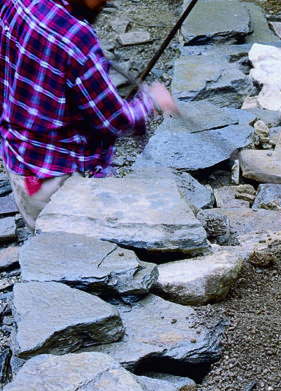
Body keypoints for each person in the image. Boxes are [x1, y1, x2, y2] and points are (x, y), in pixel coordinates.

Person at [0, 0, 178, 231]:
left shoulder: (17, 3)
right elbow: (114, 120)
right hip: (56, 180)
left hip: (19, 163)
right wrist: (152, 102)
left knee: (47, 247)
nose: (106, 2)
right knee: (74, 254)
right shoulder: (77, 37)